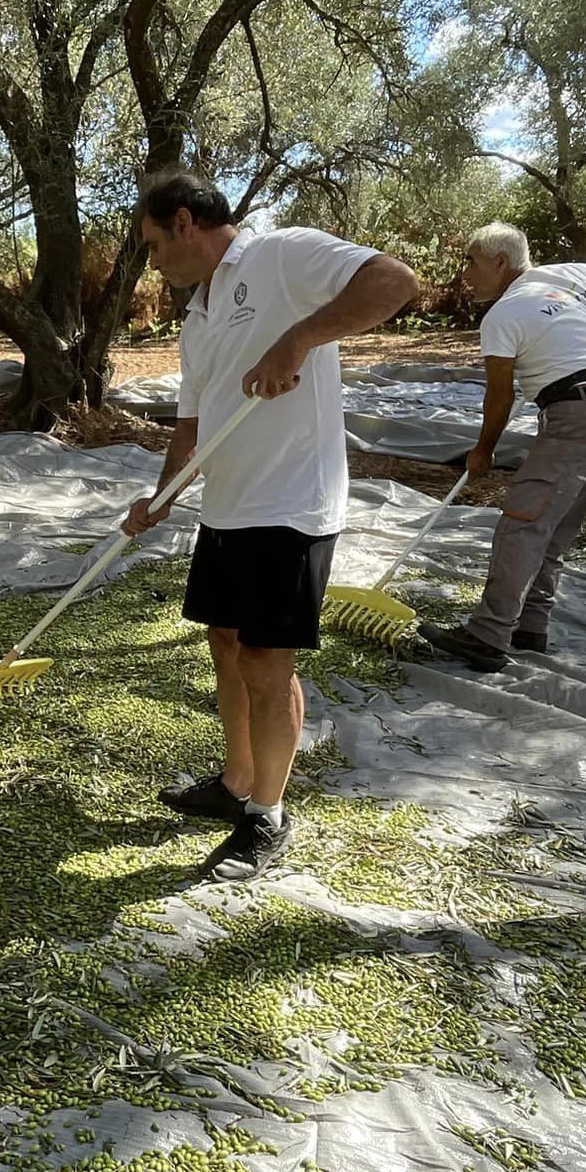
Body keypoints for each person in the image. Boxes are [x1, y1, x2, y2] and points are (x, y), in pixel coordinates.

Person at [122, 171, 419, 881]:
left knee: (264, 660)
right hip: (227, 503)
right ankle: (235, 784)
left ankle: (268, 817)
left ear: (187, 223)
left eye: (155, 245)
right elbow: (191, 426)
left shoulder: (281, 255)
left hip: (292, 503)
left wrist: (298, 340)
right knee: (225, 644)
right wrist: (161, 498)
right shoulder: (197, 315)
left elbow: (395, 280)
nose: (153, 262)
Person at [419, 223, 586, 672]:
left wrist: (483, 450)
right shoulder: (576, 273)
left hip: (577, 416)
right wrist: (578, 317)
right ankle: (530, 628)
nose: (464, 273)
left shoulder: (504, 315)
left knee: (522, 524)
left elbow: (500, 397)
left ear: (499, 262)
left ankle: (487, 637)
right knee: (555, 526)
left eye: (470, 261)